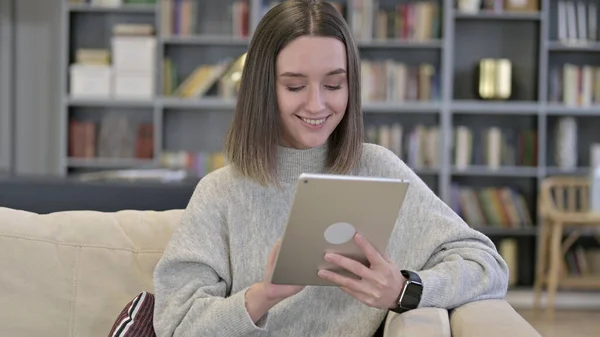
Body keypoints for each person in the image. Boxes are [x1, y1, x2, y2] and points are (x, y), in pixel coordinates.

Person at [152, 0, 509, 336]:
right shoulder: (221, 192)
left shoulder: (377, 168)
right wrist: (262, 296)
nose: (317, 104)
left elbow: (487, 267)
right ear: (262, 89)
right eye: (295, 85)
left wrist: (404, 290)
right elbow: (174, 324)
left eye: (334, 84)